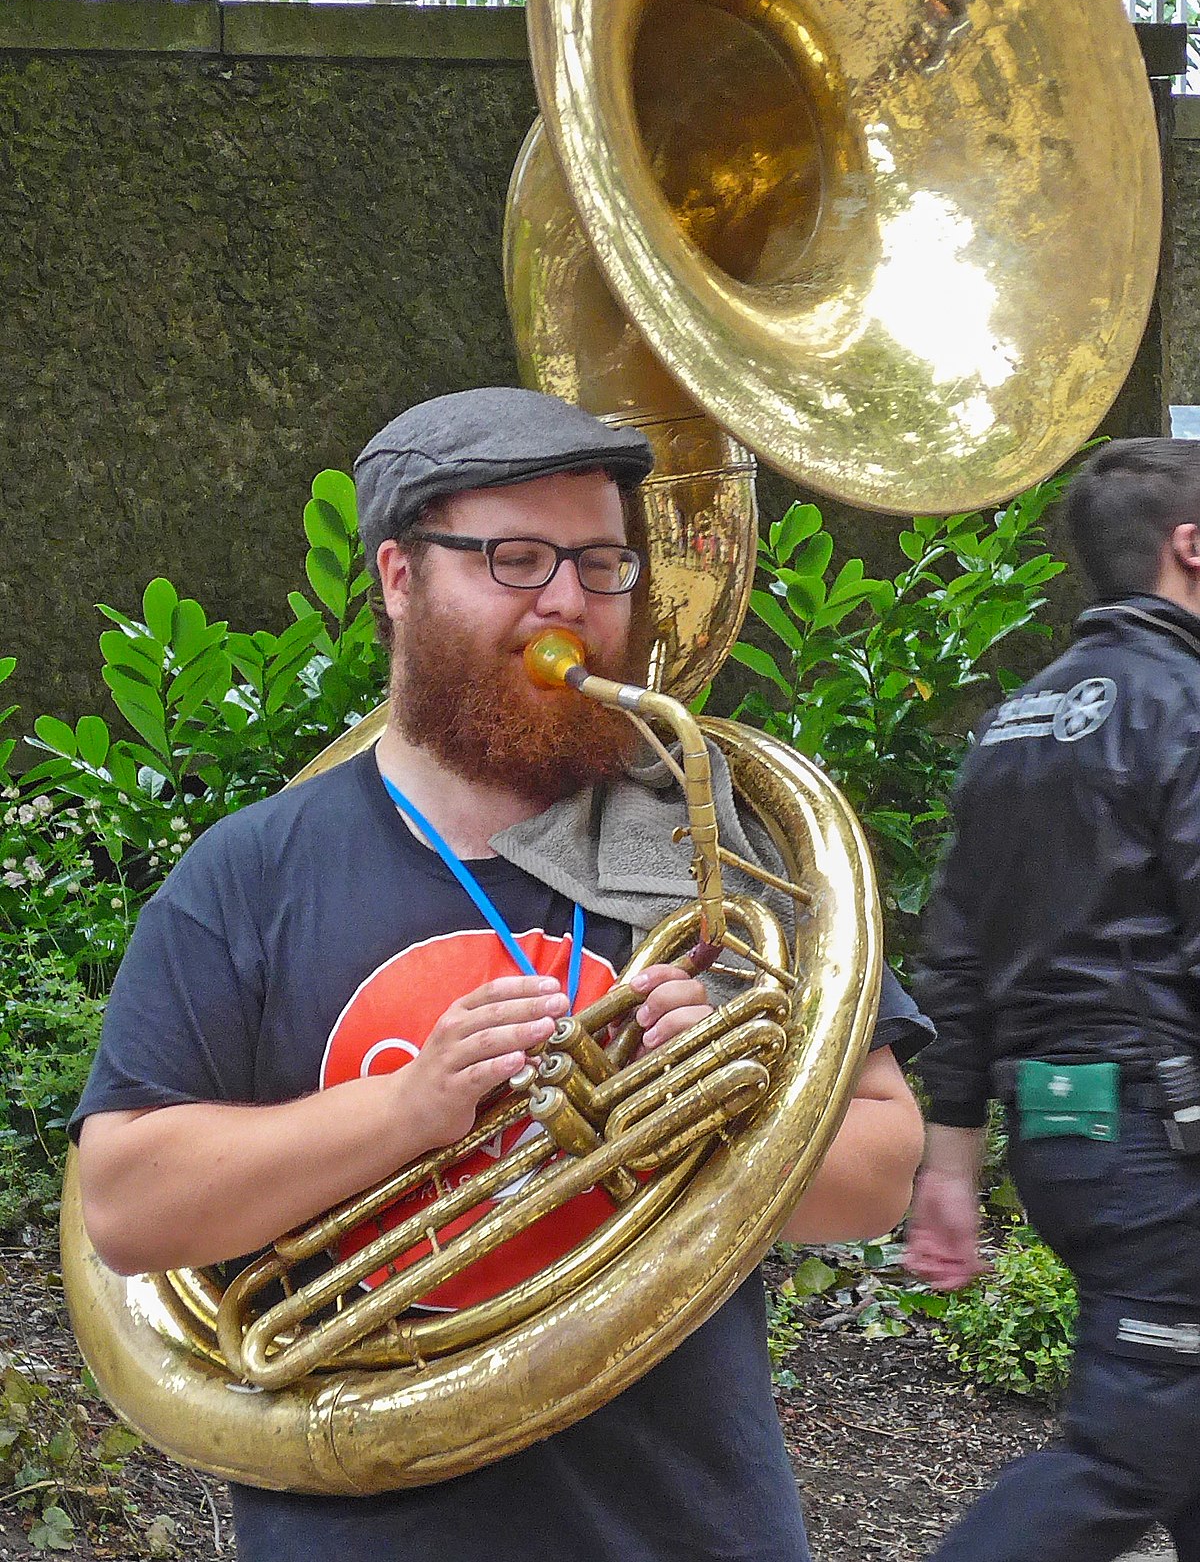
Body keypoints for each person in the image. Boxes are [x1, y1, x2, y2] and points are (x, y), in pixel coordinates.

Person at [73, 387, 927, 1562]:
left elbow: (881, 1174)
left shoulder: (710, 848)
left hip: (686, 1527)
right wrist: (406, 1108)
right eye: (515, 558)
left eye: (604, 563)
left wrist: (724, 1110)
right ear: (398, 579)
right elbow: (126, 1206)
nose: (568, 600)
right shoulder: (252, 875)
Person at [905, 437, 1200, 1562]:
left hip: (1067, 1136)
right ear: (1191, 547)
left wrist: (949, 1169)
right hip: (1165, 1143)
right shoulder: (1184, 703)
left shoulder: (1015, 725)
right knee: (1132, 1449)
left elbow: (960, 964)